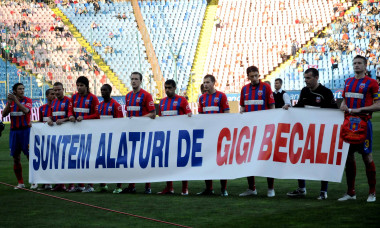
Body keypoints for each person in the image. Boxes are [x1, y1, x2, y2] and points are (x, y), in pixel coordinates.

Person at [287, 67, 337, 200]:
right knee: (300, 158)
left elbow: (334, 112)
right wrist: (289, 109)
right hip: (305, 132)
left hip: (321, 133)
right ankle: (301, 188)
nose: (306, 81)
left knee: (322, 161)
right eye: (305, 78)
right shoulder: (304, 91)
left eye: (308, 78)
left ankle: (323, 191)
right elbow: (300, 107)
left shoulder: (325, 93)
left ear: (316, 78)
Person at [338, 55, 380, 203]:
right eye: (354, 63)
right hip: (348, 124)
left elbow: (378, 105)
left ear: (365, 66)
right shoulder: (348, 81)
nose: (356, 65)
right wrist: (343, 105)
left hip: (363, 123)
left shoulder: (372, 83)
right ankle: (351, 192)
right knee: (348, 157)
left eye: (359, 63)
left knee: (367, 157)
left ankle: (372, 192)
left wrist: (360, 109)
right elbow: (345, 99)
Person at [239, 66, 276, 198]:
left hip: (264, 129)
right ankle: (251, 188)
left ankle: (271, 188)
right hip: (250, 130)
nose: (254, 78)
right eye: (252, 76)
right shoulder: (244, 89)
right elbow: (243, 106)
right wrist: (242, 113)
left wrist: (271, 123)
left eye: (256, 75)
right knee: (249, 158)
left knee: (266, 158)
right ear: (247, 76)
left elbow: (272, 106)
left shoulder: (266, 87)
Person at [122, 72, 155, 194]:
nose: (134, 81)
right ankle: (132, 186)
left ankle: (148, 187)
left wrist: (138, 120)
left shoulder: (146, 95)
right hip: (132, 133)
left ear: (141, 81)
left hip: (144, 132)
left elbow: (153, 114)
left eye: (136, 79)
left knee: (144, 159)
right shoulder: (128, 96)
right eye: (132, 79)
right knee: (131, 160)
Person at [157, 79, 192, 195]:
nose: (167, 90)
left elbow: (189, 116)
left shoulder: (182, 100)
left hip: (180, 136)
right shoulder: (162, 102)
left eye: (169, 88)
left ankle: (185, 188)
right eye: (166, 88)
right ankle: (169, 187)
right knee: (167, 162)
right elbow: (160, 119)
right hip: (167, 137)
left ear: (174, 88)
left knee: (182, 162)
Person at [197, 74, 230, 196]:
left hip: (220, 134)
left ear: (213, 83)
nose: (205, 85)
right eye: (204, 82)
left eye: (207, 82)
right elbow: (200, 116)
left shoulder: (221, 96)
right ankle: (209, 188)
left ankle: (223, 189)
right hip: (207, 134)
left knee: (221, 162)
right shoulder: (202, 98)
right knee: (207, 161)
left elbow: (227, 114)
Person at [68, 76, 100, 193]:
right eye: (78, 85)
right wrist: (71, 115)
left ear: (87, 86)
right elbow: (70, 110)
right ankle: (80, 185)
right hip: (76, 132)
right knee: (77, 158)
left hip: (89, 133)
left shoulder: (93, 98)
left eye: (82, 85)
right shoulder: (74, 97)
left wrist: (85, 118)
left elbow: (97, 115)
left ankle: (90, 185)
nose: (79, 87)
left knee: (87, 158)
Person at [2, 83, 35, 189]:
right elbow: (3, 114)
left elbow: (26, 111)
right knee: (16, 158)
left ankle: (34, 181)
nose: (22, 90)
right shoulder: (11, 102)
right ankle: (20, 183)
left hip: (25, 131)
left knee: (30, 156)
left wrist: (15, 101)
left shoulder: (28, 100)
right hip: (14, 132)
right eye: (20, 89)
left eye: (23, 89)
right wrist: (9, 103)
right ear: (15, 91)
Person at [47, 82, 74, 191]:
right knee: (58, 158)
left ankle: (71, 184)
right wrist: (49, 119)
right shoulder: (53, 102)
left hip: (68, 133)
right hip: (57, 135)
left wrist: (63, 120)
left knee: (69, 158)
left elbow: (72, 116)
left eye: (59, 90)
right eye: (55, 90)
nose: (57, 92)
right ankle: (60, 183)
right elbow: (50, 115)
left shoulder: (69, 101)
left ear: (63, 89)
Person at [97, 84, 124, 194]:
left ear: (110, 91)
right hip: (103, 138)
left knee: (116, 162)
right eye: (101, 90)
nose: (103, 92)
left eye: (105, 90)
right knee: (102, 161)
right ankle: (103, 184)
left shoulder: (116, 105)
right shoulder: (99, 105)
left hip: (114, 138)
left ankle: (119, 186)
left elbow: (121, 122)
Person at [37, 88, 55, 190]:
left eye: (54, 94)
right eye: (52, 94)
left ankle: (54, 182)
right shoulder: (42, 108)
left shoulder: (57, 107)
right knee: (44, 160)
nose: (54, 95)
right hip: (44, 138)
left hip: (55, 138)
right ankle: (45, 182)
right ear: (47, 96)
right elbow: (40, 123)